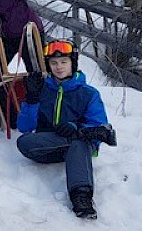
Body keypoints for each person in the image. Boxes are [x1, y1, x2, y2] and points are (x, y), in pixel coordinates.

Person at [16, 39, 116, 219]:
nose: (59, 67)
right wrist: (31, 98)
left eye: (64, 62)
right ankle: (76, 139)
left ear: (73, 63)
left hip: (81, 146)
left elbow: (97, 126)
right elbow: (24, 128)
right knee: (24, 142)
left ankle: (81, 196)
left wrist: (76, 128)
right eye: (53, 63)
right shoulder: (43, 88)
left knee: (80, 141)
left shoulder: (88, 93)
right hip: (49, 144)